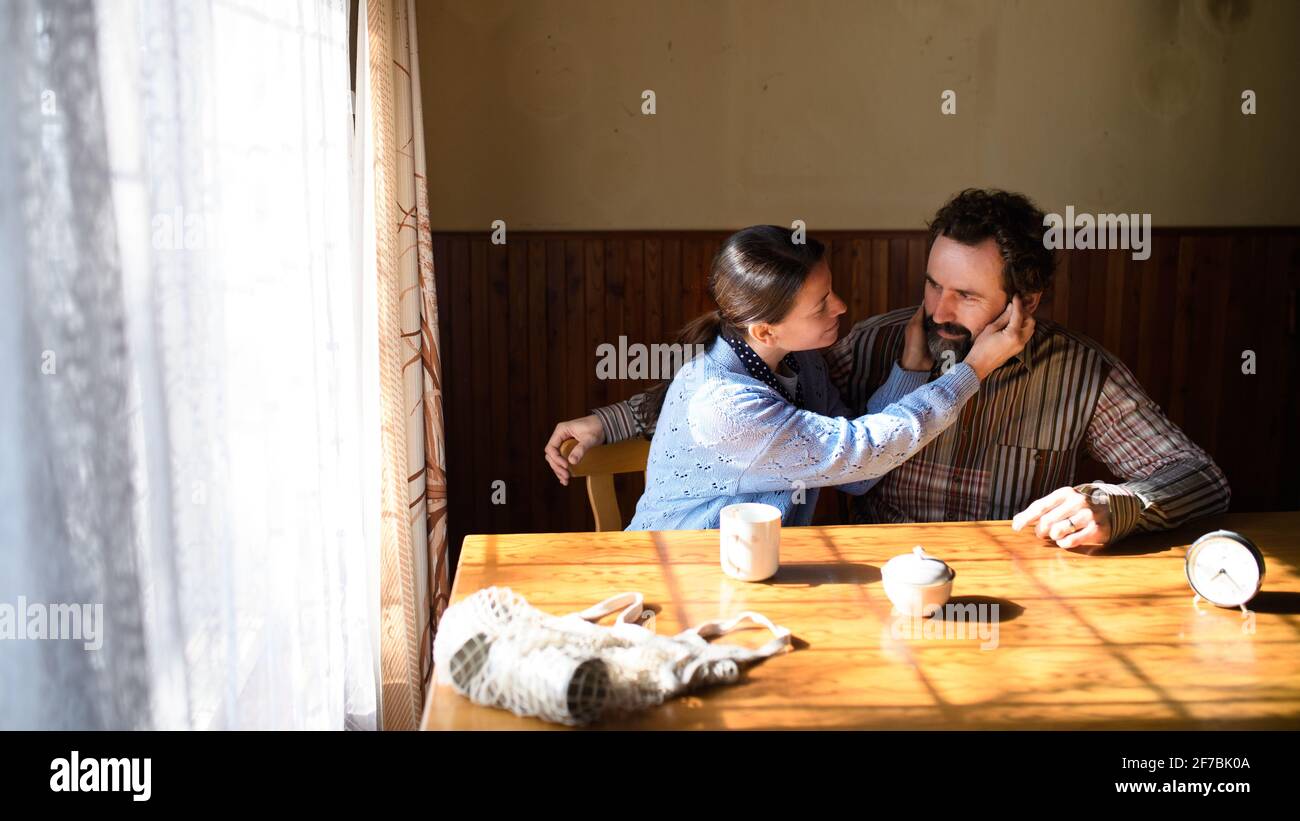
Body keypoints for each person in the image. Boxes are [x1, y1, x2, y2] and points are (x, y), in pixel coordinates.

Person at [546, 191, 1230, 547]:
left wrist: (1117, 505)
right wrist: (614, 418)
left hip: (1015, 603)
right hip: (862, 592)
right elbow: (745, 393)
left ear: (1025, 301)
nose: (936, 307)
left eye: (965, 294)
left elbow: (1201, 478)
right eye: (933, 282)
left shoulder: (1082, 374)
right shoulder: (874, 343)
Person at [597, 224, 1033, 531]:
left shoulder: (802, 362)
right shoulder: (725, 406)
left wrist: (911, 364)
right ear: (765, 331)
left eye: (832, 290)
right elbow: (862, 450)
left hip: (754, 570)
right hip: (678, 571)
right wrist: (974, 369)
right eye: (822, 304)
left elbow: (857, 472)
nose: (841, 306)